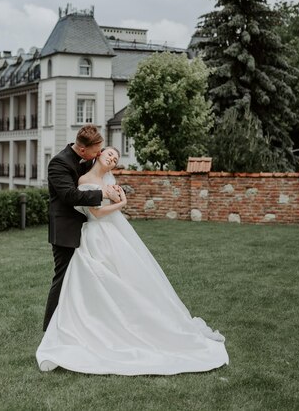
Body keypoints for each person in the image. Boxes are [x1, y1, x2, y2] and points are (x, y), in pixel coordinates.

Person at [37, 147, 229, 375]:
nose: (112, 160)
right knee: (91, 281)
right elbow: (96, 213)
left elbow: (107, 206)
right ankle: (86, 326)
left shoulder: (108, 178)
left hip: (109, 235)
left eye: (116, 159)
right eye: (109, 155)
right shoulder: (84, 178)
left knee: (124, 280)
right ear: (98, 154)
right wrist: (121, 203)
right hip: (94, 235)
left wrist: (117, 196)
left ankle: (117, 324)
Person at [42, 125, 121, 331]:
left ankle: (82, 324)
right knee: (63, 278)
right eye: (97, 151)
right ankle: (51, 328)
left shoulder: (89, 161)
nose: (100, 154)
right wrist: (104, 194)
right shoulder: (58, 163)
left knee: (85, 279)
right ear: (83, 150)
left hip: (89, 230)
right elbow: (70, 196)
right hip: (66, 230)